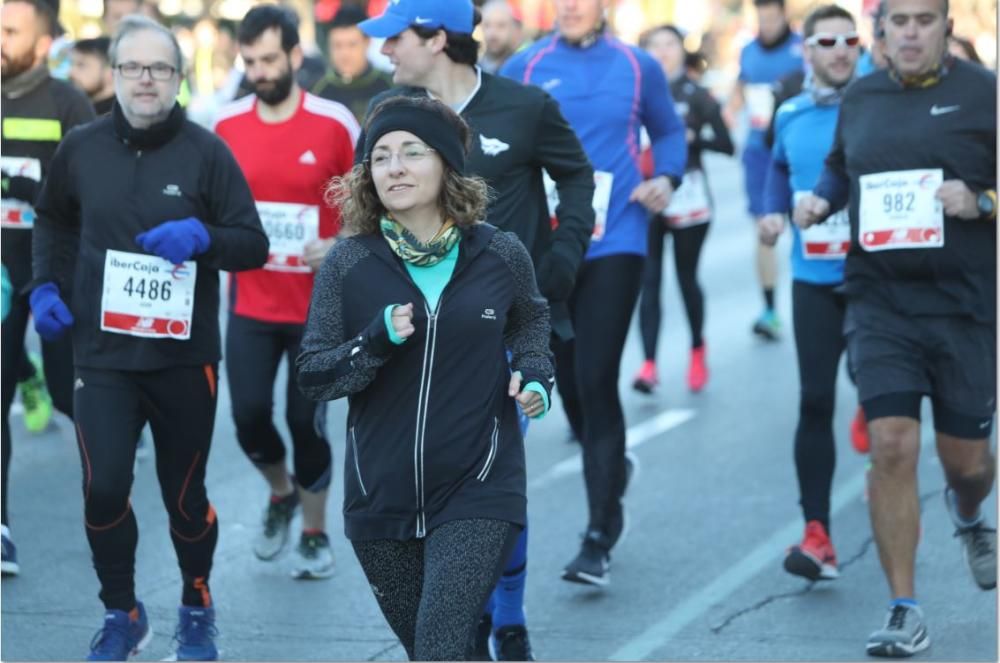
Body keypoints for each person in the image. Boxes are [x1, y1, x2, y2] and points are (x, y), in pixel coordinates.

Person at [357, 0, 595, 656]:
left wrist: (563, 258)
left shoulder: (524, 107)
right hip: (413, 333)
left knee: (485, 478)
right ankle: (470, 610)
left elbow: (576, 178)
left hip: (498, 332)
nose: (384, 52)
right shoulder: (387, 117)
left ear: (437, 40)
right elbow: (362, 208)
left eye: (394, 38)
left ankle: (503, 614)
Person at [30, 15, 268, 660]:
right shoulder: (81, 147)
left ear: (178, 79)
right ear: (113, 76)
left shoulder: (205, 151)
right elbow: (52, 219)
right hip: (102, 354)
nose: (145, 79)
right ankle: (121, 611)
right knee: (104, 485)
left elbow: (253, 243)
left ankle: (196, 602)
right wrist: (45, 288)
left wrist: (203, 238)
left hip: (182, 358)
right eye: (132, 67)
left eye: (159, 68)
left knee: (184, 496)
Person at [298, 94, 554, 662]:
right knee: (442, 649)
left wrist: (536, 377)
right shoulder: (350, 264)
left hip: (479, 485)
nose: (395, 167)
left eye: (412, 152)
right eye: (382, 156)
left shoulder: (500, 253)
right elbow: (314, 377)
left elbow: (532, 320)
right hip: (379, 496)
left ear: (445, 165)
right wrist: (374, 341)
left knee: (438, 646)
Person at [794, 0, 997, 654]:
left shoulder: (984, 93)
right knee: (890, 443)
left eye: (924, 20)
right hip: (880, 300)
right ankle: (903, 607)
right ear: (879, 32)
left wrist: (983, 199)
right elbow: (838, 165)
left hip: (966, 305)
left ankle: (967, 510)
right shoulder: (861, 96)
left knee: (967, 462)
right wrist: (821, 198)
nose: (911, 32)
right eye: (899, 21)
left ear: (946, 27)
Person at [503, 0, 687, 587]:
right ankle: (609, 469)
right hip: (551, 245)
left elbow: (670, 130)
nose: (571, 7)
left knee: (597, 374)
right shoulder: (527, 66)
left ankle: (599, 534)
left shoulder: (637, 67)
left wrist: (667, 177)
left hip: (617, 239)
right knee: (565, 375)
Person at [214, 4, 357, 580]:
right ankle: (281, 492)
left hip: (317, 310)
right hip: (249, 301)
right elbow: (213, 208)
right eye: (250, 61)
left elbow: (367, 203)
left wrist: (342, 241)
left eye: (270, 59)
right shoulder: (226, 127)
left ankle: (316, 533)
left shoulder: (335, 123)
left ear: (296, 56)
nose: (260, 71)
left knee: (307, 423)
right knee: (248, 416)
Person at [759, 3, 862, 582]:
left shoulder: (879, 107)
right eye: (827, 41)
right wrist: (773, 213)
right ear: (808, 52)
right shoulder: (792, 112)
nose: (841, 50)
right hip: (815, 279)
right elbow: (776, 167)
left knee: (878, 393)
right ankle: (817, 533)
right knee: (815, 400)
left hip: (879, 284)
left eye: (851, 40)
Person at [1, 0, 95, 578]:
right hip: (0, 274)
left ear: (43, 41)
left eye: (10, 30)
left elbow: (97, 187)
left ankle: (111, 490)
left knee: (68, 392)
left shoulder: (66, 102)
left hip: (57, 273)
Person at [632, 24, 734, 395]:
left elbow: (727, 144)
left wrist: (694, 138)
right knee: (650, 280)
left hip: (688, 193)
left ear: (681, 49)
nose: (662, 51)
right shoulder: (633, 91)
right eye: (653, 44)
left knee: (686, 278)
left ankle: (696, 350)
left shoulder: (698, 94)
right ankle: (648, 365)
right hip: (647, 195)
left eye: (669, 44)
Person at [723, 0, 804, 340]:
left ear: (784, 15)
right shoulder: (748, 51)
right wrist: (730, 108)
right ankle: (770, 310)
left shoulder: (802, 49)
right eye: (763, 18)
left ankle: (814, 299)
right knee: (765, 230)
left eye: (773, 18)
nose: (768, 24)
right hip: (759, 154)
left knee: (805, 223)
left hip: (796, 148)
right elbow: (741, 88)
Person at [311, 6, 393, 123]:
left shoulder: (390, 85)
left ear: (367, 42)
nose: (345, 54)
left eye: (352, 44)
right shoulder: (317, 91)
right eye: (338, 45)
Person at [70, 37, 116, 115]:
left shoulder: (120, 119)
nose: (71, 72)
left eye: (81, 65)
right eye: (72, 64)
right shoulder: (77, 110)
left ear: (110, 71)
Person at [479, 0, 524, 74]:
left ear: (514, 29)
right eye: (487, 25)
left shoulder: (522, 69)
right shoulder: (473, 69)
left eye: (501, 25)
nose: (492, 33)